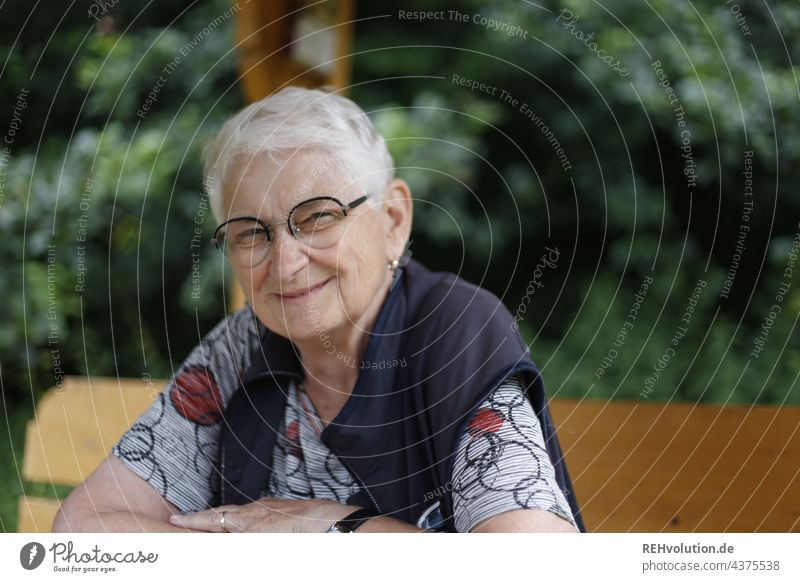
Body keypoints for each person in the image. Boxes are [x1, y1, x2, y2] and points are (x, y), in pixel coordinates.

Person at [53, 87, 584, 533]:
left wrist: (336, 528)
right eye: (250, 233)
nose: (285, 263)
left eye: (318, 217)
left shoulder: (455, 329)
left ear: (393, 219)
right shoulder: (242, 346)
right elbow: (84, 527)